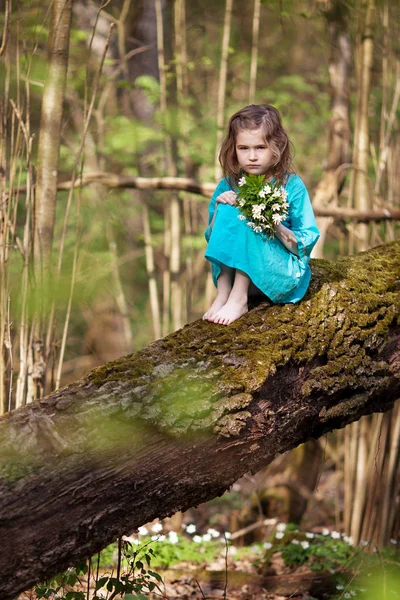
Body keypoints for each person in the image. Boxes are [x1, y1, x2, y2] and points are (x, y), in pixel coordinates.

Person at [203, 104, 320, 325]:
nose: (252, 156)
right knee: (229, 205)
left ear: (276, 147)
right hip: (241, 275)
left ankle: (239, 300)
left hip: (278, 275)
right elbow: (213, 239)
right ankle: (223, 294)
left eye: (260, 147)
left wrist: (271, 222)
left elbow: (304, 242)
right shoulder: (228, 184)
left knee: (249, 211)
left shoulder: (291, 185)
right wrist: (219, 208)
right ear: (234, 149)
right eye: (244, 148)